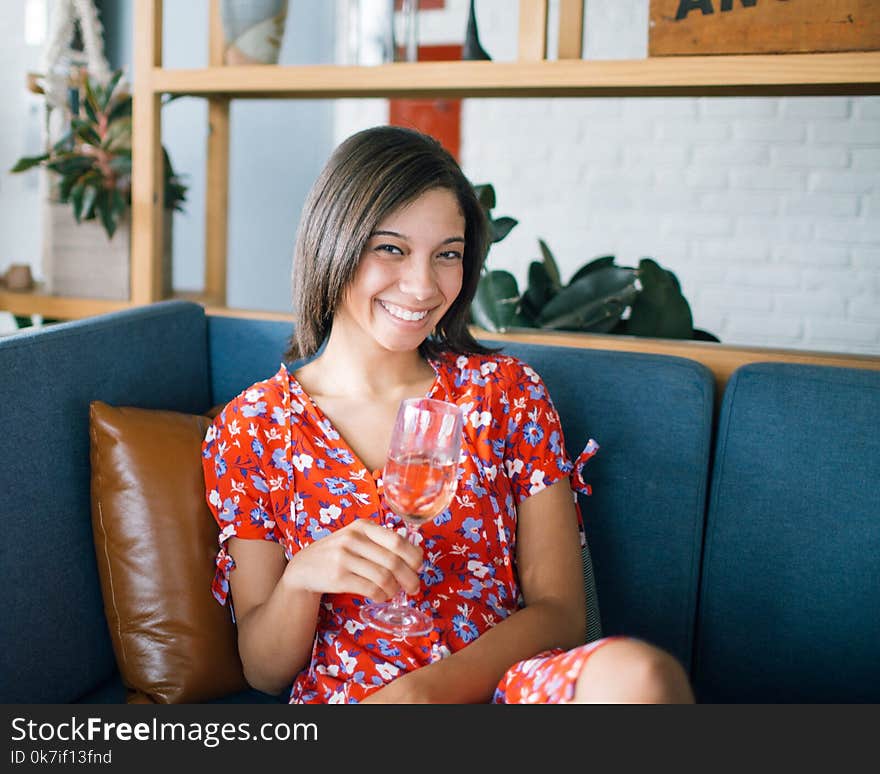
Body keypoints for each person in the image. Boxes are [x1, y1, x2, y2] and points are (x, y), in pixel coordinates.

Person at [202, 125, 694, 704]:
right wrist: (303, 578)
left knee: (641, 677)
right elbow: (263, 670)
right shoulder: (252, 426)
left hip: (501, 686)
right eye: (391, 248)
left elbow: (561, 612)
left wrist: (424, 694)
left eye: (448, 255)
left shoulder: (507, 394)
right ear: (333, 242)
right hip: (356, 702)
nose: (421, 285)